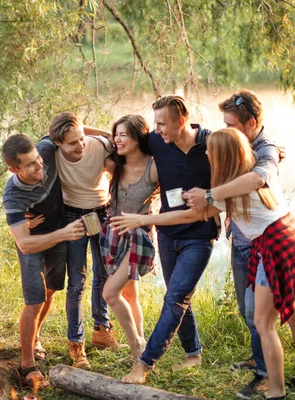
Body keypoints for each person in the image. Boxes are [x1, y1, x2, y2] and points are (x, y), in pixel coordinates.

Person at [112, 128, 295, 400]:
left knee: (264, 322)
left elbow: (192, 213)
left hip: (275, 246)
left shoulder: (229, 189)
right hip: (292, 238)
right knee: (294, 315)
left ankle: (276, 392)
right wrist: (144, 220)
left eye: (211, 150)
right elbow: (193, 214)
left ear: (222, 156)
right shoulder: (245, 178)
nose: (207, 153)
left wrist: (144, 219)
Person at [114, 95, 220, 384]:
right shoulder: (158, 141)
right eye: (155, 124)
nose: (156, 129)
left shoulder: (212, 143)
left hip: (199, 235)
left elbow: (245, 154)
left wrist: (270, 152)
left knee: (174, 299)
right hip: (167, 233)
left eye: (162, 123)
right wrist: (85, 134)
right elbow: (128, 138)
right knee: (179, 295)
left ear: (182, 120)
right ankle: (193, 353)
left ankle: (144, 365)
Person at [184, 89, 281, 398]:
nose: (224, 130)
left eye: (231, 125)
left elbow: (257, 180)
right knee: (246, 309)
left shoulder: (266, 150)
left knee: (261, 315)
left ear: (251, 123)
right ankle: (260, 358)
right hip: (240, 238)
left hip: (263, 242)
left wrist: (211, 195)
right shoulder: (231, 143)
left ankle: (267, 375)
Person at [1, 133, 85, 389]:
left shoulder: (46, 150)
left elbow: (71, 129)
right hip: (35, 243)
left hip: (58, 234)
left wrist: (104, 134)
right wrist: (65, 233)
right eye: (30, 164)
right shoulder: (13, 196)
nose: (40, 166)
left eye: (38, 159)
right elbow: (24, 244)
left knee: (50, 292)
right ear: (14, 169)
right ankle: (27, 364)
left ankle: (35, 337)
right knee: (34, 299)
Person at [48, 112, 119, 370]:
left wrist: (95, 133)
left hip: (102, 212)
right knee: (77, 281)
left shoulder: (99, 145)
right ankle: (76, 345)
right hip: (73, 216)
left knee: (105, 273)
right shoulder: (50, 153)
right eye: (72, 143)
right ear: (58, 143)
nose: (79, 146)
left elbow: (122, 142)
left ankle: (102, 330)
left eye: (81, 139)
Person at [99, 115, 158, 362]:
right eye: (116, 134)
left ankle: (136, 350)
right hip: (114, 236)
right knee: (129, 293)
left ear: (138, 137)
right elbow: (88, 135)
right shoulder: (115, 164)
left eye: (124, 134)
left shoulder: (154, 167)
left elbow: (179, 186)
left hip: (139, 238)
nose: (117, 139)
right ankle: (141, 342)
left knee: (110, 293)